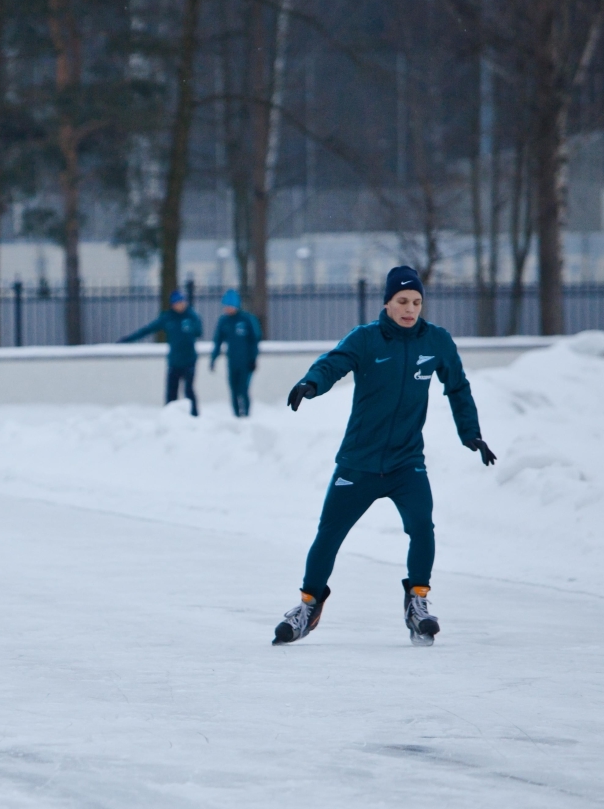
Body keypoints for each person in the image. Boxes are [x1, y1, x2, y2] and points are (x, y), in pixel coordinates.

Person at [274, 266, 497, 647]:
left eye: (416, 302)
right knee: (329, 535)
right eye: (402, 302)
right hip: (358, 463)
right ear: (388, 303)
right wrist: (311, 383)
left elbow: (458, 387)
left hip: (405, 462)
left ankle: (418, 602)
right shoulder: (367, 340)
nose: (410, 309)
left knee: (422, 528)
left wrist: (471, 433)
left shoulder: (436, 342)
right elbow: (334, 363)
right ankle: (308, 605)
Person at [119, 288, 203, 415]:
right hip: (174, 361)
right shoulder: (167, 318)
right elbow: (148, 329)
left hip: (189, 360)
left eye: (182, 302)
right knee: (171, 393)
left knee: (188, 391)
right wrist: (128, 339)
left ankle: (194, 416)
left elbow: (199, 331)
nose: (180, 305)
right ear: (173, 304)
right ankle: (169, 417)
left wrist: (191, 323)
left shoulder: (191, 316)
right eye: (177, 302)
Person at [209, 288, 262, 417]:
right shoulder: (224, 321)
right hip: (232, 361)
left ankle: (246, 415)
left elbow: (254, 340)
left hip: (245, 362)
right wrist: (213, 359)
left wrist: (253, 359)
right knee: (233, 390)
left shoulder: (246, 319)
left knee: (243, 389)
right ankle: (237, 416)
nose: (227, 309)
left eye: (230, 306)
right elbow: (218, 341)